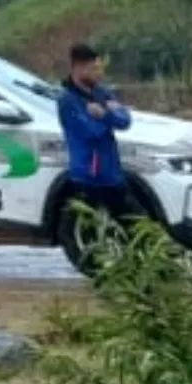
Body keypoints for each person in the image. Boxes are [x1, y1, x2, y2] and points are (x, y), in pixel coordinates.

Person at [57, 43, 135, 242]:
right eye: (93, 68)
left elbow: (125, 121)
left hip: (111, 173)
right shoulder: (67, 100)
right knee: (90, 230)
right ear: (78, 67)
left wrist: (104, 113)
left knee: (134, 220)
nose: (98, 74)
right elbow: (90, 132)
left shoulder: (101, 92)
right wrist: (108, 115)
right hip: (87, 175)